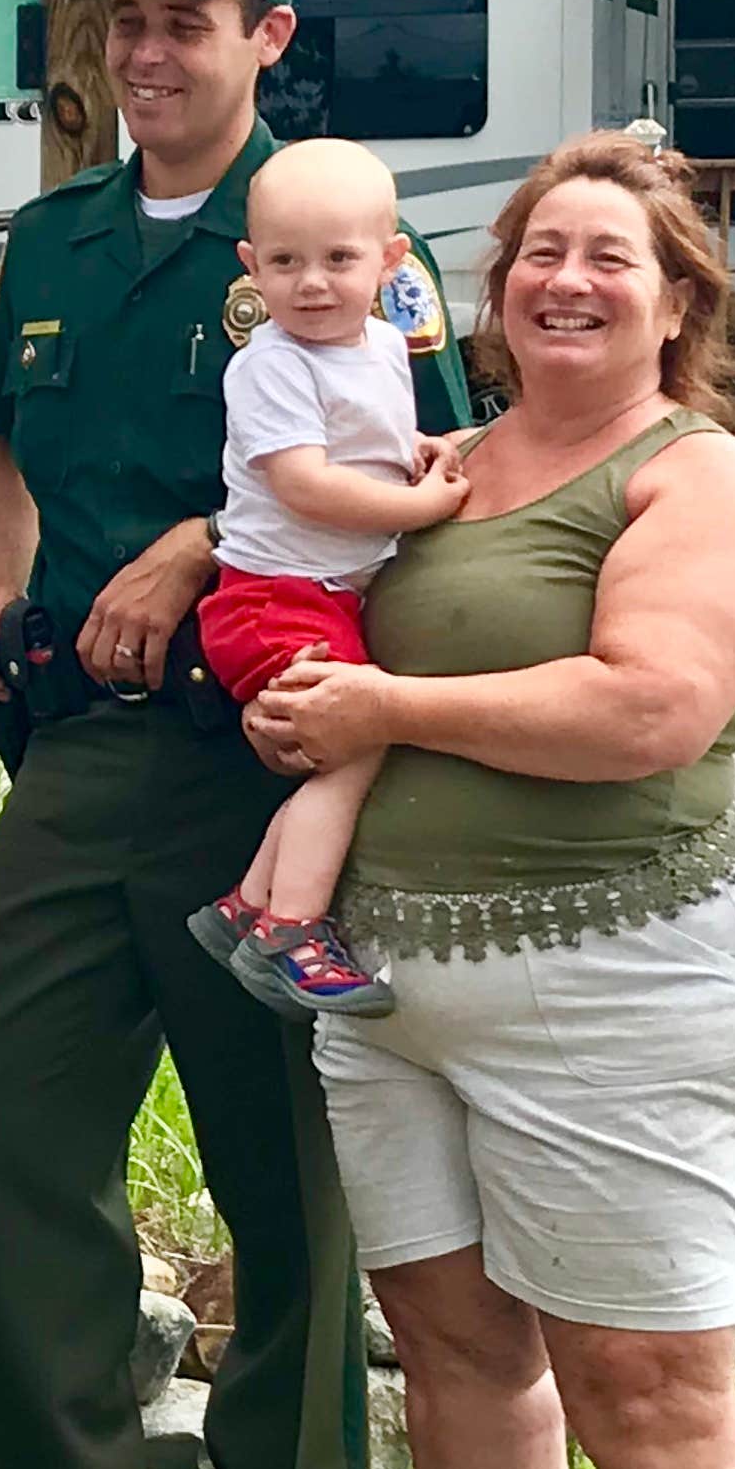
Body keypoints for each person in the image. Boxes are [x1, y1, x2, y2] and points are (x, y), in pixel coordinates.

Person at [0, 0, 474, 1469]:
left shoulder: (338, 230)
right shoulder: (54, 233)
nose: (144, 51)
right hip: (75, 747)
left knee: (274, 1154)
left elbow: (430, 473)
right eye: (123, 19)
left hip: (262, 749)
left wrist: (202, 543)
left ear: (266, 36)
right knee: (5, 1124)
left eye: (185, 20)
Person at [251, 135, 735, 1469]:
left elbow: (648, 705)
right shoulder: (447, 461)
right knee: (455, 1346)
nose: (565, 280)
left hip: (617, 978)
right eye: (535, 253)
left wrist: (382, 705)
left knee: (646, 1382)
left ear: (674, 299)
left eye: (606, 257)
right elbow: (298, 569)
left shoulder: (694, 475)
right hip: (388, 990)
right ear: (487, 294)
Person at [186, 139, 470, 1016]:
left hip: (321, 594)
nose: (311, 284)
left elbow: (365, 442)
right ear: (249, 266)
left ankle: (246, 908)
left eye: (338, 260)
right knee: (356, 746)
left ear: (390, 260)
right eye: (284, 263)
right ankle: (291, 929)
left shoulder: (381, 344)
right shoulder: (268, 363)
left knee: (345, 753)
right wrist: (420, 508)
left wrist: (416, 452)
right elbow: (305, 484)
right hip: (271, 596)